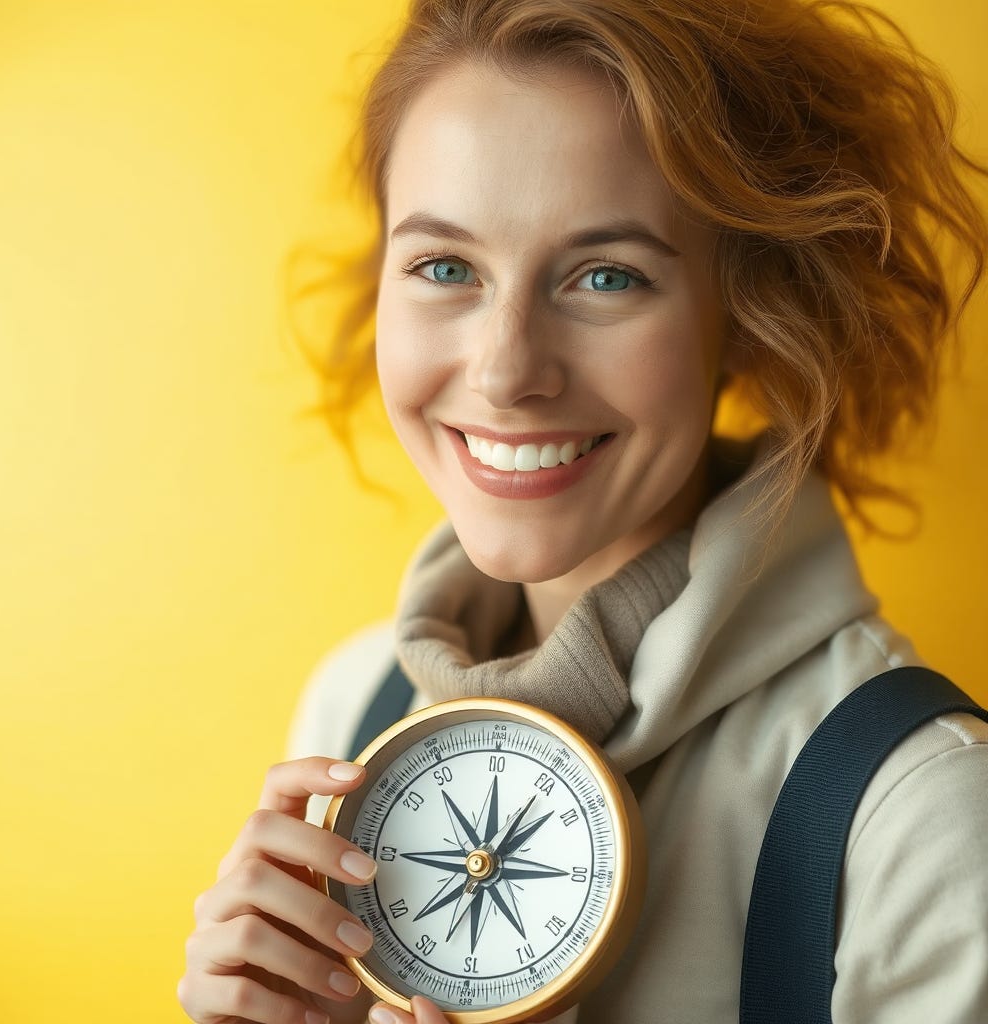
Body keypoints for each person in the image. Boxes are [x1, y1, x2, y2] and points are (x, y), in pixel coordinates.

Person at [178, 1, 988, 1022]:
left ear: (744, 314)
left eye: (606, 275)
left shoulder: (919, 812)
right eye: (443, 267)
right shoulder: (352, 710)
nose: (507, 369)